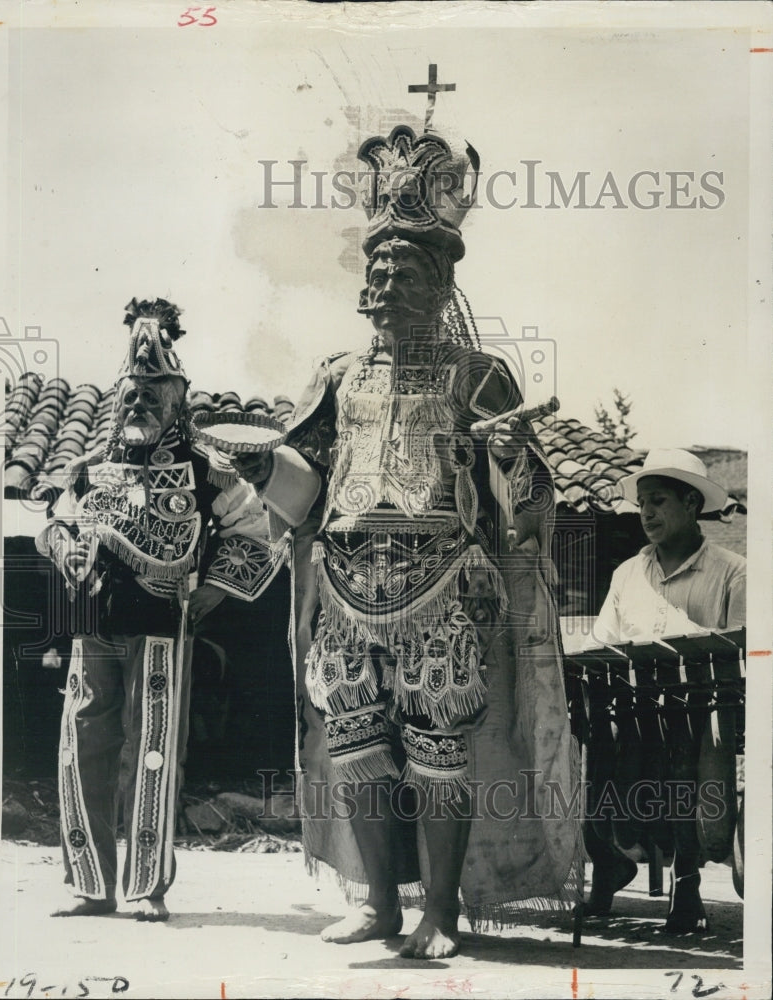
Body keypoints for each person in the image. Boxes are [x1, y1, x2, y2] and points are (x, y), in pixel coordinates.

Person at [236, 112, 582, 959]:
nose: (386, 282)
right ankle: (381, 904)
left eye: (406, 270)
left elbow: (530, 501)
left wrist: (507, 453)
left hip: (441, 587)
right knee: (354, 747)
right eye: (378, 270)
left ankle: (443, 915)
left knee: (436, 752)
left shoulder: (478, 374)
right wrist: (262, 468)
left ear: (440, 281)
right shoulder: (336, 375)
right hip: (346, 587)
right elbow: (306, 485)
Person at [36, 298, 281, 921]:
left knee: (153, 750)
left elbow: (257, 531)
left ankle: (146, 886)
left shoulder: (206, 471)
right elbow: (58, 522)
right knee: (82, 745)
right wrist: (64, 544)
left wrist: (216, 588)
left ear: (177, 400)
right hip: (92, 626)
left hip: (163, 627)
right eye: (131, 395)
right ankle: (89, 884)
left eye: (152, 394)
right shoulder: (89, 469)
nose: (138, 404)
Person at [588, 448, 746, 932]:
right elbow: (602, 644)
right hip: (636, 711)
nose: (646, 513)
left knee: (684, 751)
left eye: (658, 501)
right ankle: (609, 859)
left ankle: (687, 878)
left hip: (705, 714)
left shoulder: (733, 572)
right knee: (587, 748)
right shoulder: (627, 574)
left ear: (691, 503)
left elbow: (744, 652)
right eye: (642, 503)